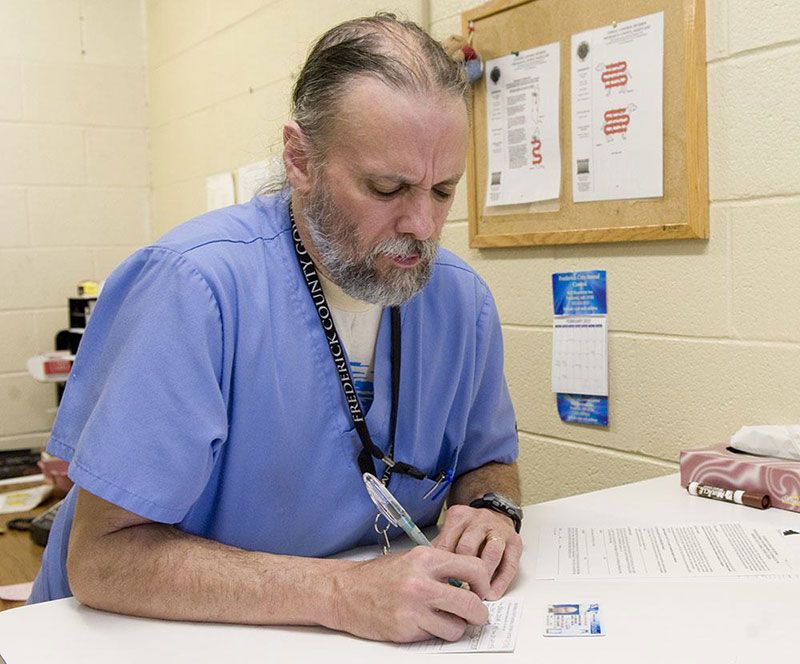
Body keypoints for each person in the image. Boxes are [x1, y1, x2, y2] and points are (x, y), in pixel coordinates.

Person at [28, 14, 523, 644]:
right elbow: (103, 560)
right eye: (387, 187)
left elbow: (489, 461)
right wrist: (340, 592)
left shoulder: (461, 303)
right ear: (301, 159)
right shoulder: (194, 288)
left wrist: (492, 510)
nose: (423, 226)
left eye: (444, 190)